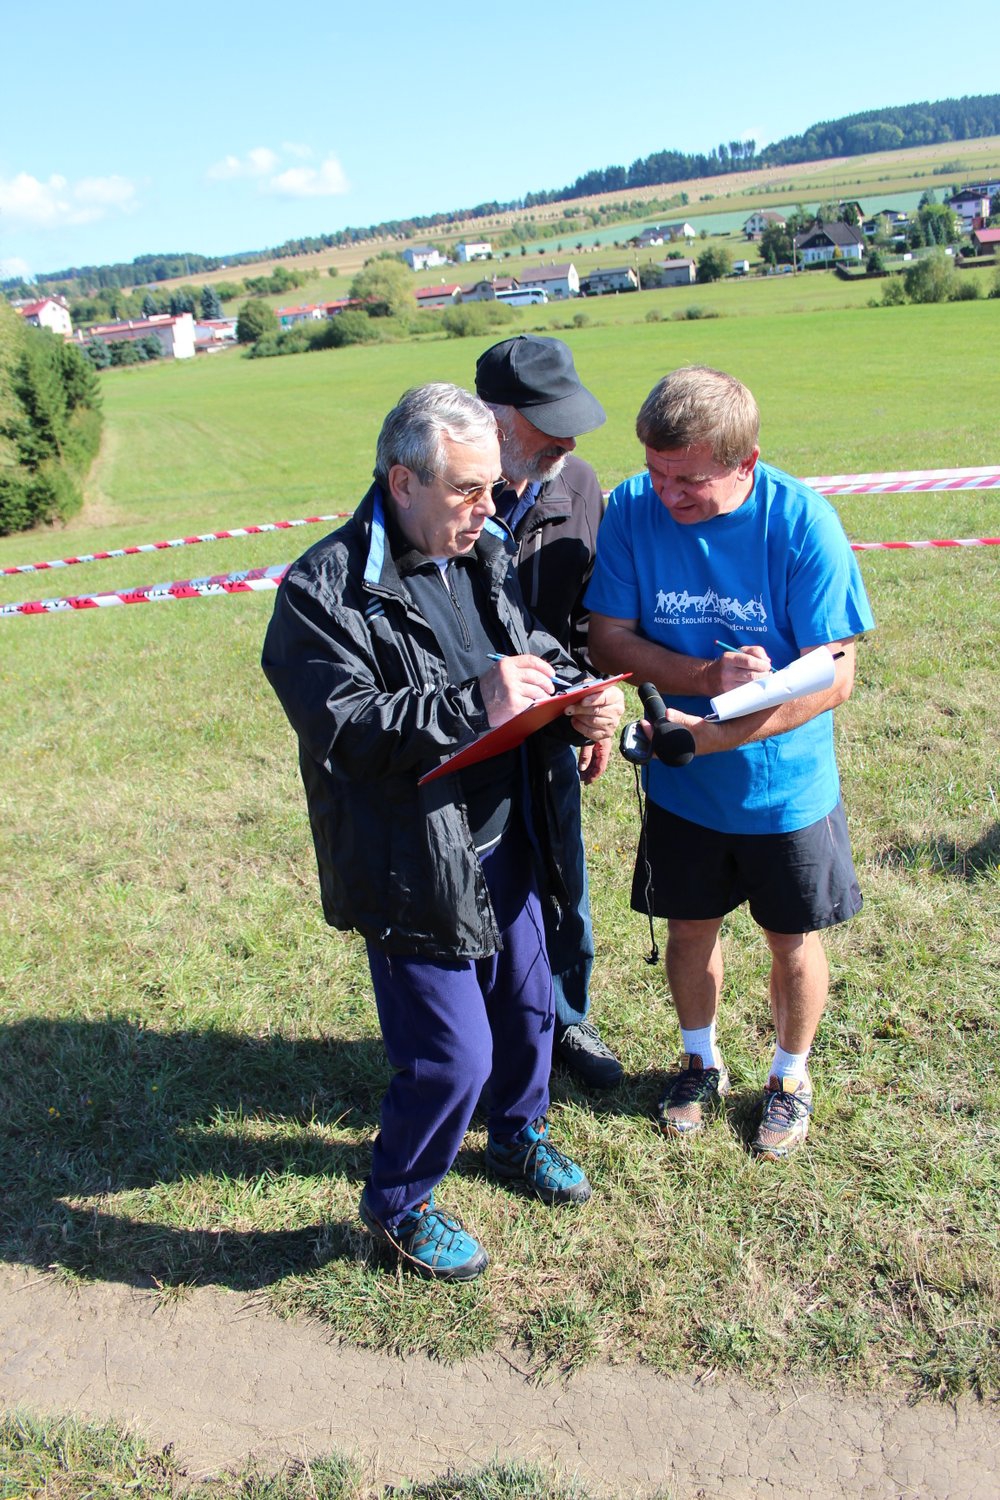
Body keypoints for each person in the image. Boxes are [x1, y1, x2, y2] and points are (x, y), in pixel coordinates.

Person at [261, 383, 624, 1281]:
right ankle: (398, 1205)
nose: (489, 507)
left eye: (493, 486)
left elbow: (527, 644)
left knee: (531, 1016)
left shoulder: (481, 550)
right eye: (467, 489)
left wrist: (576, 696)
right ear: (402, 481)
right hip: (413, 862)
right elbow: (346, 729)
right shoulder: (320, 591)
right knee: (452, 1060)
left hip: (512, 838)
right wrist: (474, 702)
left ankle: (516, 1136)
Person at [586, 366, 875, 1159]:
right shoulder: (632, 508)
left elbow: (835, 673)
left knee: (791, 939)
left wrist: (709, 735)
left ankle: (789, 1075)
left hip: (785, 789)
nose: (667, 495)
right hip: (684, 791)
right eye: (656, 472)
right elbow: (608, 637)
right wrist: (706, 677)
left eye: (689, 480)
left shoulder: (802, 522)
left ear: (745, 462)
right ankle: (698, 1062)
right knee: (689, 929)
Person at [475, 334, 623, 1091]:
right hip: (465, 729)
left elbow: (585, 612)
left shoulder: (579, 484)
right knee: (479, 884)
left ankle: (568, 1019)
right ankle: (482, 1039)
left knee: (564, 876)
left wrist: (590, 702)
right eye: (550, 425)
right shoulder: (447, 492)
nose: (568, 442)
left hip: (554, 726)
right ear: (495, 421)